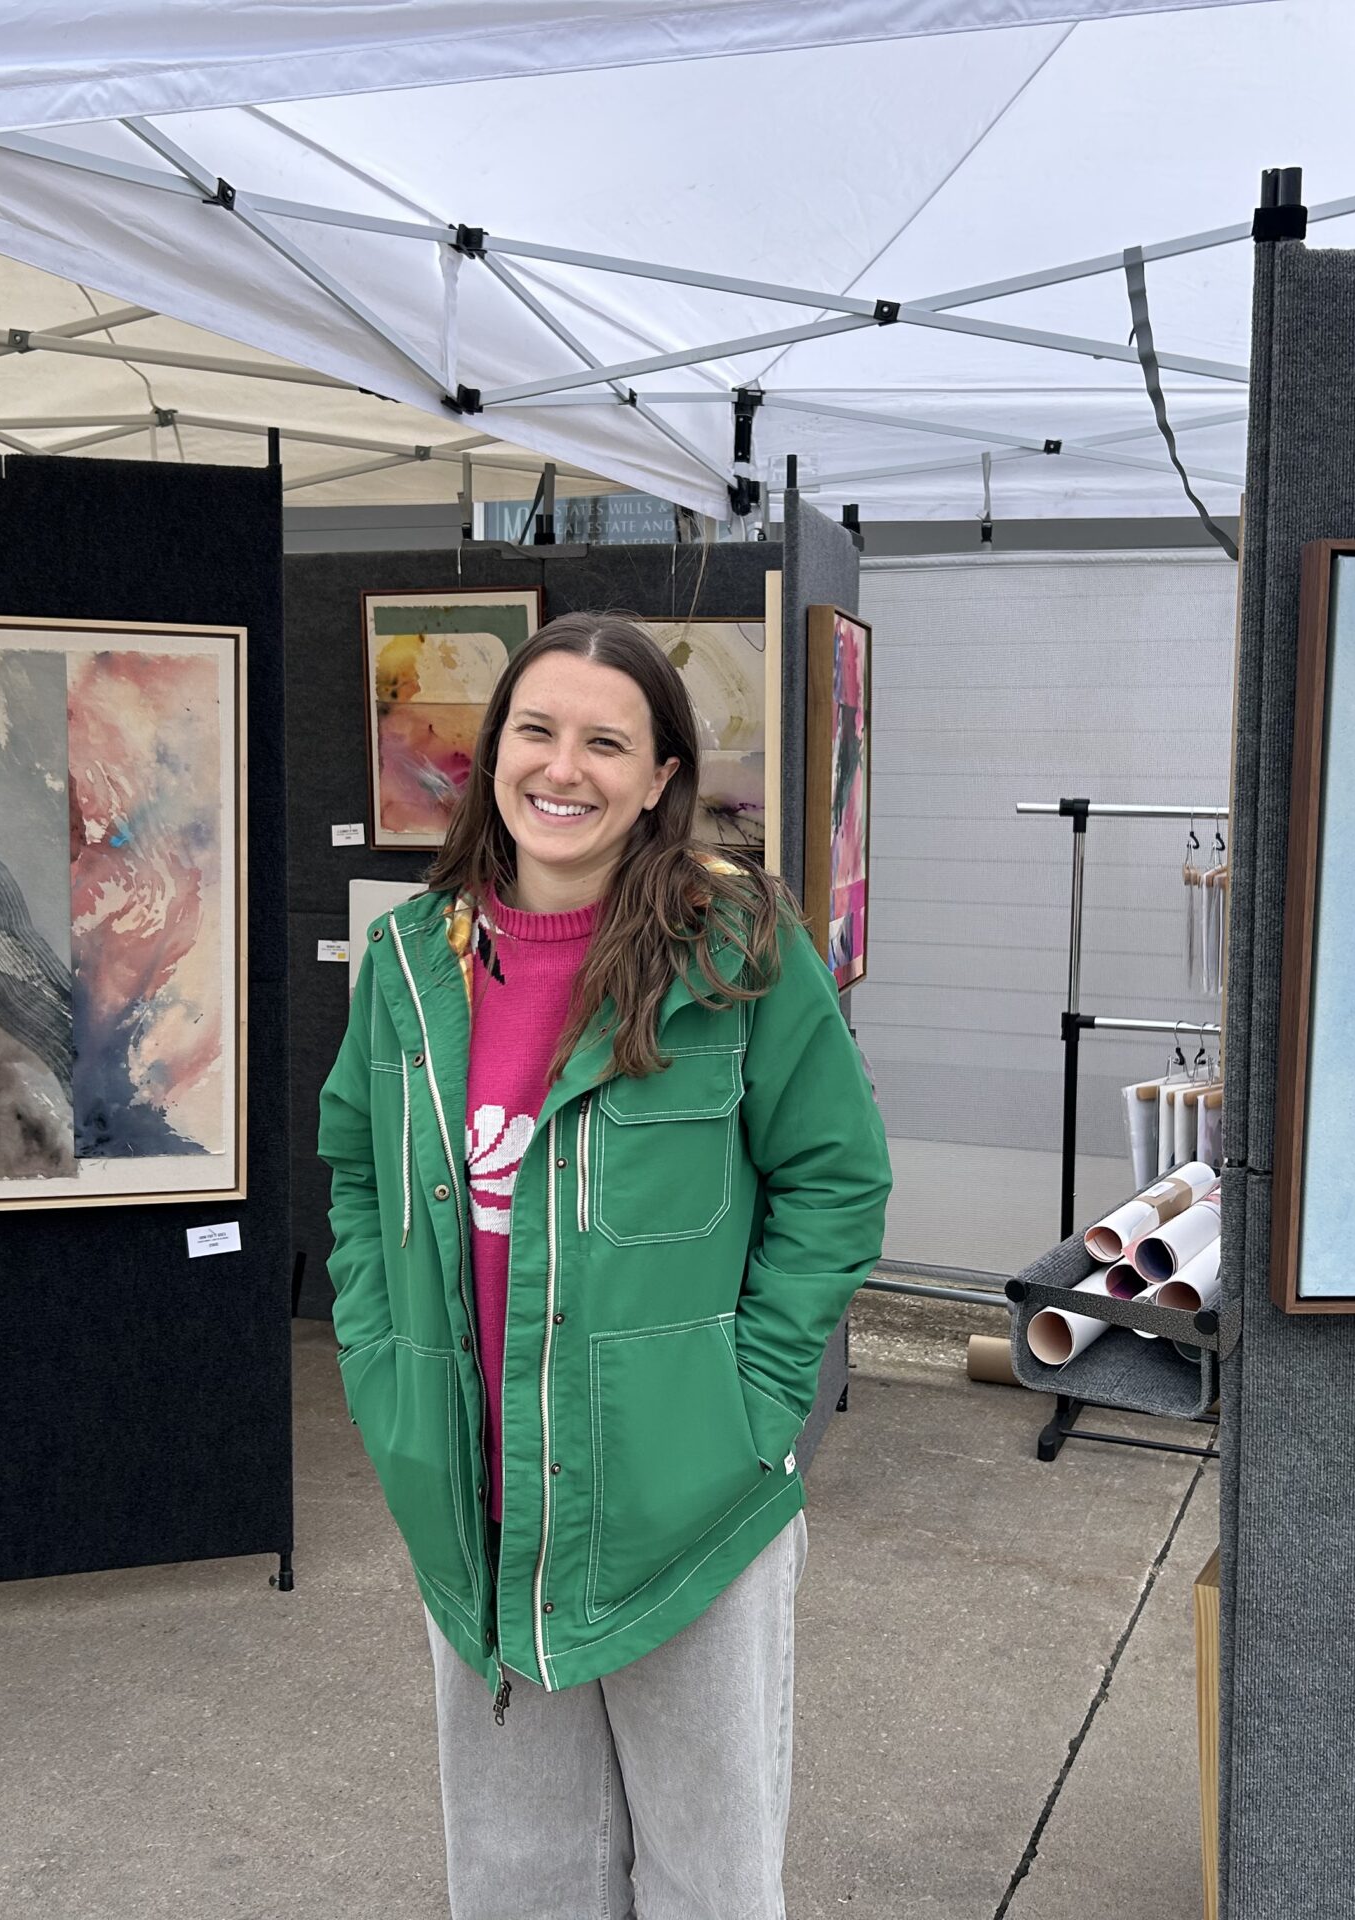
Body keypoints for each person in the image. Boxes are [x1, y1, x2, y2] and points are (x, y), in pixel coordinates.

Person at [317, 610, 892, 1920]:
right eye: (536, 730)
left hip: (688, 1510)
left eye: (605, 743)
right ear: (495, 753)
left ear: (659, 778)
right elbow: (355, 1168)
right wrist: (381, 1369)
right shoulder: (412, 964)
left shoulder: (737, 953)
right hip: (481, 1509)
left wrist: (748, 1404)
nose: (562, 768)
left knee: (708, 1884)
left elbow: (836, 1180)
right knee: (520, 1884)